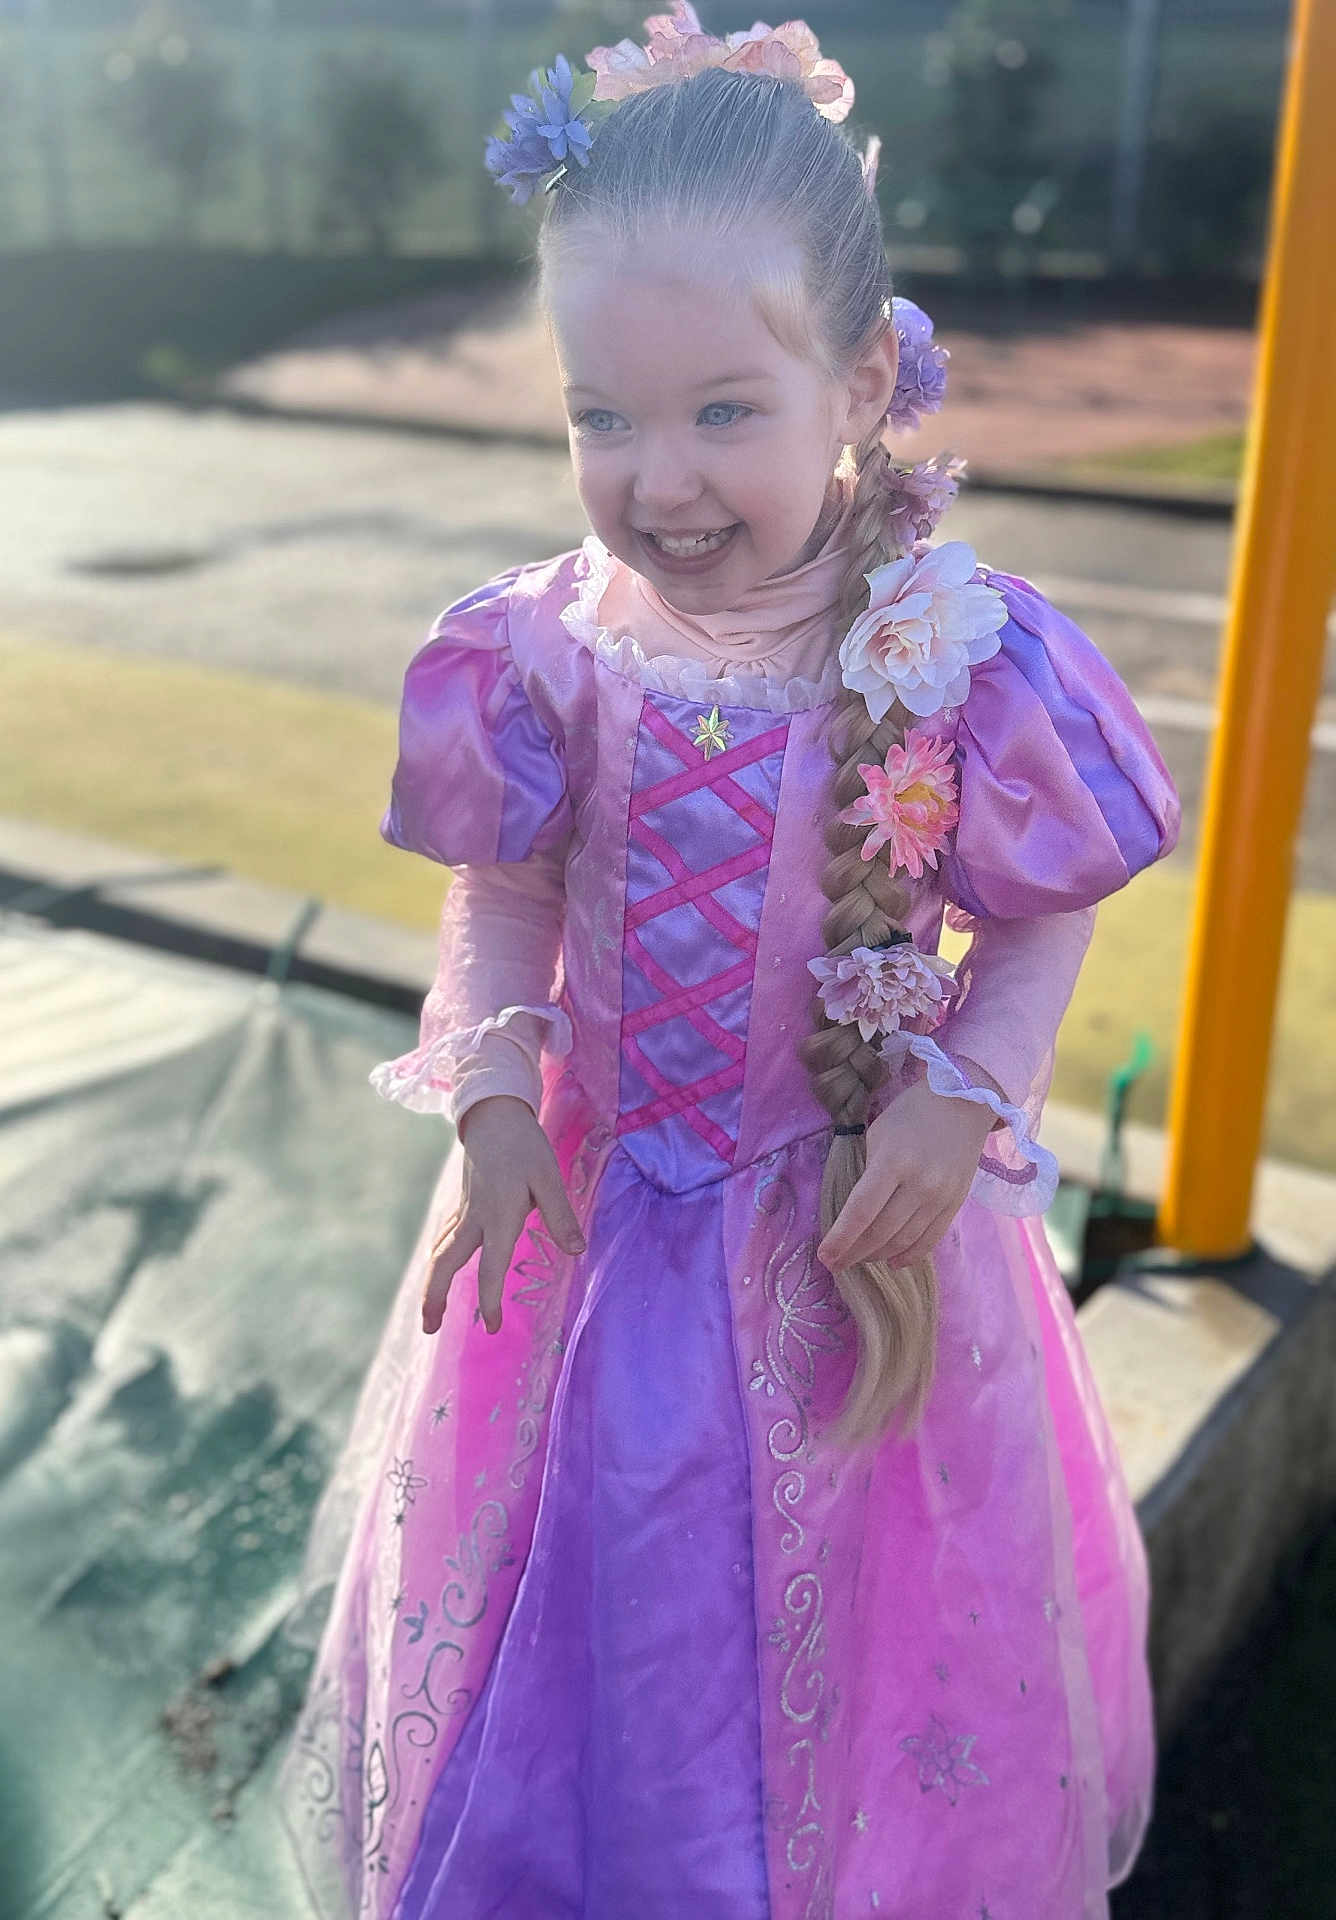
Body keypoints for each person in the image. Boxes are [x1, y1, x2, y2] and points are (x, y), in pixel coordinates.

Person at [278, 11, 1180, 1916]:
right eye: (602, 416)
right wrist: (498, 1084)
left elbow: (1037, 911)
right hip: (601, 1245)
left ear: (859, 381)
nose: (660, 477)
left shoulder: (960, 649)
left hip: (855, 1250)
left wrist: (962, 1093)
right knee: (594, 1621)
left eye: (720, 411)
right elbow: (508, 888)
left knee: (864, 1660)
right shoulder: (548, 649)